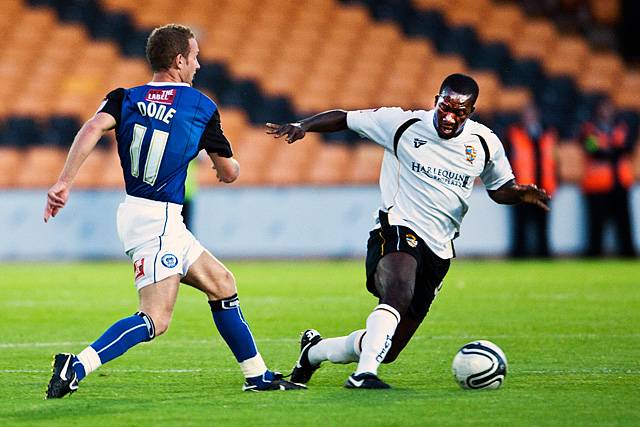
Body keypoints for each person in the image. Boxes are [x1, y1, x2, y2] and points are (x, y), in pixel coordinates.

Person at [43, 24, 304, 398]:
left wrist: (64, 181)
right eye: (195, 57)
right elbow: (229, 172)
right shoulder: (200, 106)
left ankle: (256, 374)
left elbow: (92, 128)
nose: (198, 65)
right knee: (155, 319)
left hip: (144, 212)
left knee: (222, 284)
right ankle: (78, 365)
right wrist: (226, 165)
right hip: (158, 221)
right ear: (179, 60)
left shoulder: (124, 97)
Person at [266, 73, 550, 389]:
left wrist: (519, 193)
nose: (450, 117)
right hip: (397, 226)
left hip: (440, 248)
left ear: (471, 112)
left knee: (388, 348)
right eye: (445, 108)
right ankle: (363, 375)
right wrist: (304, 126)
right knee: (397, 292)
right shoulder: (403, 124)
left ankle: (314, 352)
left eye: (460, 112)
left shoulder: (485, 143)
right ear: (436, 101)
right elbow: (345, 119)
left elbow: (500, 188)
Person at [579, 98, 636, 257]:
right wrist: (613, 150)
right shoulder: (589, 129)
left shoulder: (621, 128)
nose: (606, 111)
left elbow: (628, 147)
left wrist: (607, 149)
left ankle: (628, 254)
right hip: (597, 186)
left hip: (619, 183)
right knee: (596, 225)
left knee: (624, 224)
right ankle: (594, 254)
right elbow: (592, 149)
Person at [506, 102, 558, 257]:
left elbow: (554, 160)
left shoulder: (549, 134)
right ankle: (519, 255)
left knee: (542, 225)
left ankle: (544, 254)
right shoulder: (514, 134)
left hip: (543, 187)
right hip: (522, 189)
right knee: (520, 226)